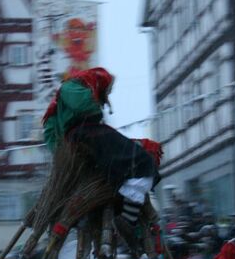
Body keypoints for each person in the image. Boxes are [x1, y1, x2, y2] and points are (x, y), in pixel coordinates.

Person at [42, 67, 160, 229]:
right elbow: (85, 107)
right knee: (140, 158)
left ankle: (128, 209)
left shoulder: (75, 90)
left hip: (84, 134)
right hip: (80, 135)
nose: (105, 98)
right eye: (106, 91)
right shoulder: (70, 87)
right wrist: (96, 105)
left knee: (131, 151)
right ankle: (128, 213)